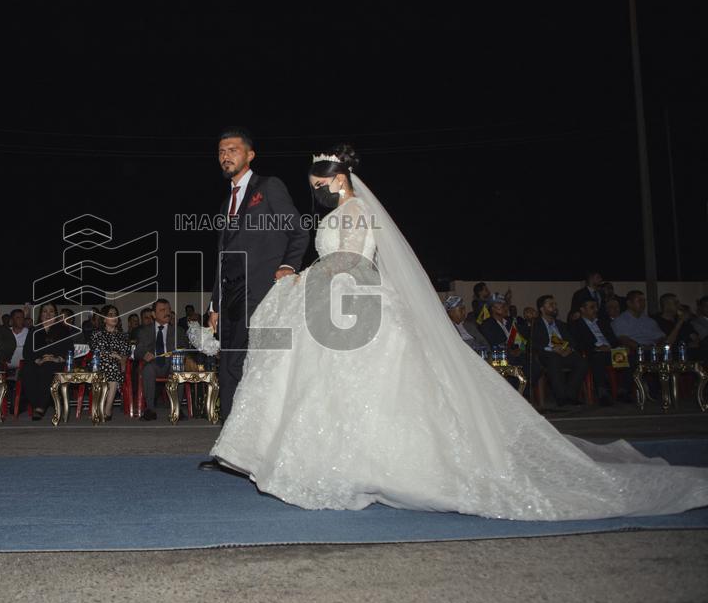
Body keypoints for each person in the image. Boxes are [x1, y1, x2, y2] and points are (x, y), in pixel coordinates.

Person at [209, 144, 708, 519]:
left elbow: (353, 262)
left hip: (353, 301)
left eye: (317, 181)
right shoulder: (341, 212)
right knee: (326, 386)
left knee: (360, 387)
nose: (312, 188)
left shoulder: (356, 212)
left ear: (337, 179)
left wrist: (307, 277)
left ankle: (374, 463)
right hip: (338, 304)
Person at [200, 127, 308, 470]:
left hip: (263, 292)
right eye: (221, 150)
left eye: (233, 149)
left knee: (254, 368)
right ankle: (231, 452)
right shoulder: (224, 204)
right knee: (228, 370)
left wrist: (289, 265)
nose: (225, 155)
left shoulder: (269, 187)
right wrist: (215, 304)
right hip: (231, 297)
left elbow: (299, 229)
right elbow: (222, 256)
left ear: (250, 155)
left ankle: (259, 450)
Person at [17, 303, 76, 420]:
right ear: (40, 314)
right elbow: (27, 352)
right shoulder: (34, 330)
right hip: (37, 362)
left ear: (56, 314)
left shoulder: (63, 330)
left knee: (47, 366)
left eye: (51, 311)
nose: (48, 314)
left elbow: (70, 350)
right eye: (45, 311)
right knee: (27, 370)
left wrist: (55, 358)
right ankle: (37, 404)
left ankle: (40, 407)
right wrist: (38, 360)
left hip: (56, 363)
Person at [530, 295, 589, 407]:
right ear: (542, 309)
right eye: (551, 304)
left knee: (582, 362)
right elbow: (534, 343)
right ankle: (561, 398)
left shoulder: (561, 325)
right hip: (547, 354)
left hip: (564, 352)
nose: (555, 307)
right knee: (554, 359)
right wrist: (552, 349)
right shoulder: (535, 324)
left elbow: (572, 341)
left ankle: (571, 396)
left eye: (555, 304)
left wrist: (569, 349)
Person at [135, 299, 190, 413]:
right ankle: (150, 409)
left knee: (178, 369)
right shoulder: (144, 331)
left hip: (172, 363)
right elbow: (137, 351)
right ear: (154, 314)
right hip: (153, 363)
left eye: (168, 309)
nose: (167, 313)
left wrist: (179, 354)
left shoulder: (178, 331)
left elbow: (185, 349)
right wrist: (144, 354)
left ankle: (177, 409)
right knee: (148, 369)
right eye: (162, 310)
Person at [87, 304, 131, 419]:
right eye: (111, 315)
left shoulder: (123, 336)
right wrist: (111, 354)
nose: (114, 317)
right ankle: (101, 409)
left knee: (113, 366)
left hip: (116, 366)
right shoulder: (96, 334)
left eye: (116, 315)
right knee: (108, 363)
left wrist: (121, 359)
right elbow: (95, 350)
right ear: (104, 318)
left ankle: (107, 410)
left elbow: (125, 353)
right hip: (98, 364)